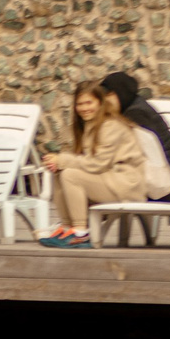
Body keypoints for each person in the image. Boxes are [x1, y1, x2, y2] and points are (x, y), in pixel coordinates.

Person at [37, 80, 145, 247]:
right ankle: (67, 227)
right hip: (109, 179)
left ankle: (81, 232)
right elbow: (90, 162)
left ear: (100, 103)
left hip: (125, 184)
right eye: (79, 104)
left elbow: (98, 164)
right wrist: (58, 163)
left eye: (89, 103)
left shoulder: (110, 125)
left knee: (70, 175)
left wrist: (63, 160)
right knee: (59, 172)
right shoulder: (91, 125)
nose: (84, 108)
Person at [97, 72, 170, 204]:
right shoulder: (135, 107)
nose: (105, 101)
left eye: (109, 95)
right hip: (161, 186)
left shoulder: (136, 114)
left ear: (121, 93)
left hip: (161, 190)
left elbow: (126, 155)